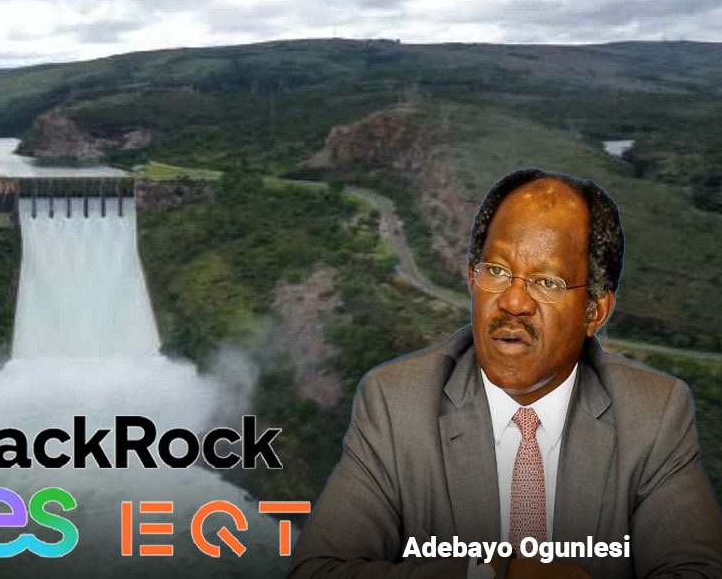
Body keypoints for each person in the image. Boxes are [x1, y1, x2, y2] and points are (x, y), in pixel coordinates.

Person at [288, 168, 722, 578]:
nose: (514, 302)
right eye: (496, 271)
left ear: (595, 311)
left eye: (547, 282)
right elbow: (317, 571)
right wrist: (490, 574)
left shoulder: (654, 414)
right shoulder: (396, 403)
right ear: (472, 279)